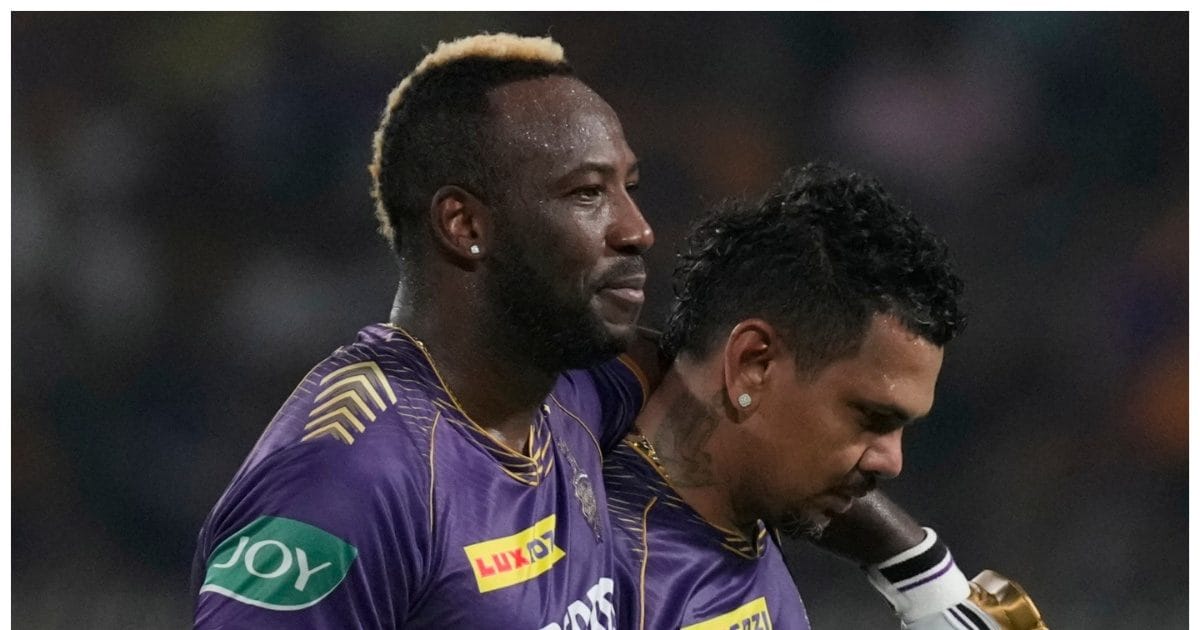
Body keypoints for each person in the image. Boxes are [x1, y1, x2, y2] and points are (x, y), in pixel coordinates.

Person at [192, 32, 659, 628]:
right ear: (464, 225)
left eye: (628, 188)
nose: (637, 229)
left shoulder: (573, 390)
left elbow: (718, 384)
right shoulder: (347, 478)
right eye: (588, 193)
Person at [604, 163, 1048, 629]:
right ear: (754, 365)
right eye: (870, 417)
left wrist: (922, 573)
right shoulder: (602, 570)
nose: (892, 462)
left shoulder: (746, 504)